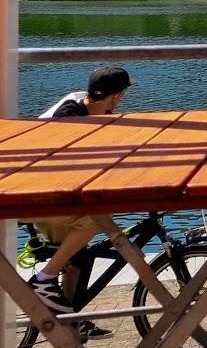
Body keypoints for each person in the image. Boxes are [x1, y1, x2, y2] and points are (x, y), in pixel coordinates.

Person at [28, 66, 133, 329]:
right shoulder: (68, 118)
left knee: (79, 259)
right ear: (118, 95)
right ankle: (44, 280)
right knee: (95, 220)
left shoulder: (93, 111)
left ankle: (72, 321)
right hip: (33, 195)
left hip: (50, 191)